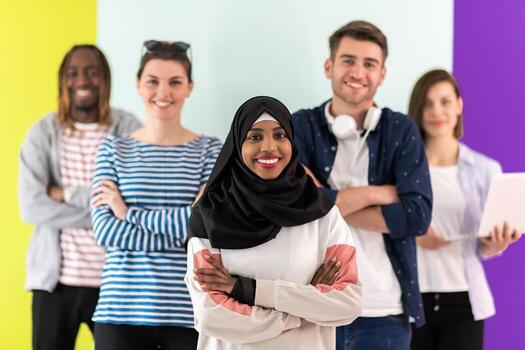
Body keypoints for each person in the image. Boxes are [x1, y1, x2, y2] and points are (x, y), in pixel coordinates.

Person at [292, 21, 433, 349]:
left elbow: (417, 216)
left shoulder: (401, 130)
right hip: (311, 307)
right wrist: (380, 193)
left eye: (369, 64)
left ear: (382, 74)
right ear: (329, 66)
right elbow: (290, 206)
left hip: (383, 312)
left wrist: (323, 203)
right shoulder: (299, 125)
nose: (358, 72)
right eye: (348, 60)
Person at [185, 96, 362, 349]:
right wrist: (303, 310)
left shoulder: (323, 214)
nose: (269, 146)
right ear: (237, 144)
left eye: (280, 136)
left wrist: (245, 290)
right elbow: (211, 315)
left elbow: (349, 302)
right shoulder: (209, 214)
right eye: (255, 137)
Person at [89, 40, 222, 350]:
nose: (163, 92)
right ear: (138, 85)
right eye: (153, 81)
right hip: (119, 313)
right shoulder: (113, 149)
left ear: (189, 87)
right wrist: (182, 228)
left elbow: (207, 229)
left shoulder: (209, 151)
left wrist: (128, 214)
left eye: (175, 82)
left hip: (188, 315)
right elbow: (106, 231)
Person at [18, 44, 141, 350]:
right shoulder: (42, 132)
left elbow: (139, 196)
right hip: (56, 284)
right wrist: (104, 212)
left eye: (91, 72)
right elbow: (32, 206)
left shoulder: (129, 129)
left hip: (116, 283)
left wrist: (67, 194)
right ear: (63, 80)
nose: (82, 80)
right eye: (73, 73)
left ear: (105, 79)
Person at [407, 69, 521, 350]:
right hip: (409, 301)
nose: (437, 111)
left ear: (459, 106)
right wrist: (414, 234)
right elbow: (385, 226)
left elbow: (485, 245)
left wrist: (496, 244)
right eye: (428, 102)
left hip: (464, 305)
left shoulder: (485, 169)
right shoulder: (402, 168)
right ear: (417, 110)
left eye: (445, 101)